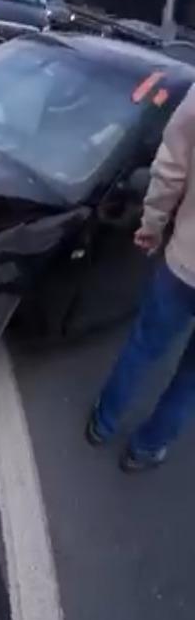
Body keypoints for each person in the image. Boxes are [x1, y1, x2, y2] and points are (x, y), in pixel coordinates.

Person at [86, 84, 195, 472]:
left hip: (187, 261)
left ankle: (104, 421)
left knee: (145, 345)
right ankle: (147, 448)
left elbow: (170, 171)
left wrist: (152, 224)